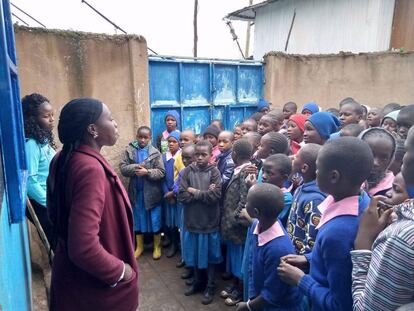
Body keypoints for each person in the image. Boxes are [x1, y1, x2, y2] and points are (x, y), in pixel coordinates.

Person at [47, 98, 138, 310]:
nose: (115, 124)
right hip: (92, 289)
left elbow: (55, 214)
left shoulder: (62, 158)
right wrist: (121, 271)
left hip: (70, 277)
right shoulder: (90, 169)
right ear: (92, 129)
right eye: (111, 118)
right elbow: (84, 247)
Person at [277, 137, 373, 311]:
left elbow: (340, 305)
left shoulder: (338, 232)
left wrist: (300, 279)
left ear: (334, 176)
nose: (316, 172)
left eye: (319, 168)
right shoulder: (362, 200)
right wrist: (308, 259)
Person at [351, 166, 414, 309]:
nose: (388, 194)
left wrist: (364, 243)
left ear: (408, 201)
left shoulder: (400, 238)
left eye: (396, 190)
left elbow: (366, 308)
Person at [236, 183, 306, 311]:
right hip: (262, 298)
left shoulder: (277, 249)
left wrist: (248, 306)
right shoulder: (257, 225)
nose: (245, 204)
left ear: (256, 211)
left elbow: (274, 293)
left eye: (247, 201)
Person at [178, 140, 222, 305]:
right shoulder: (188, 171)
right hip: (192, 221)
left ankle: (210, 285)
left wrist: (194, 191)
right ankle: (198, 282)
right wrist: (204, 193)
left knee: (210, 257)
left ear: (211, 155)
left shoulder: (215, 172)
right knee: (195, 255)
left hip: (209, 222)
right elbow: (182, 195)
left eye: (204, 154)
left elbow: (215, 197)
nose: (200, 157)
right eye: (197, 154)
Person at [120, 126, 165, 260]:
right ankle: (139, 247)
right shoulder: (130, 151)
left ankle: (157, 246)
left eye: (146, 137)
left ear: (150, 138)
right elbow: (123, 168)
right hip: (136, 193)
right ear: (137, 136)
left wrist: (148, 172)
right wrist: (136, 166)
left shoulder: (155, 153)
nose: (143, 140)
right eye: (140, 137)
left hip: (152, 194)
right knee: (138, 220)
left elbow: (161, 172)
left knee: (155, 219)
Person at [220, 139, 253, 306]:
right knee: (233, 257)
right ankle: (234, 283)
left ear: (234, 155)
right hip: (232, 225)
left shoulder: (246, 172)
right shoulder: (238, 169)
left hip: (238, 226)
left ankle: (240, 289)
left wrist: (233, 217)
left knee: (240, 259)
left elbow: (244, 199)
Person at [22, 93, 56, 245]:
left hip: (51, 199)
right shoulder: (32, 145)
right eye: (46, 116)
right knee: (57, 246)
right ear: (33, 119)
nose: (52, 119)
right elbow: (30, 183)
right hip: (43, 205)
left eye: (52, 115)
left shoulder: (43, 141)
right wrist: (51, 204)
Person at [287, 144, 326, 256]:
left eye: (296, 157)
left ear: (304, 168)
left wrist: (302, 260)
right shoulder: (301, 187)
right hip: (292, 253)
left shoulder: (315, 200)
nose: (292, 158)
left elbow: (312, 238)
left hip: (300, 262)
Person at [172, 144, 196, 272]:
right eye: (183, 158)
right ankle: (186, 260)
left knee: (192, 238)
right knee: (184, 236)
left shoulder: (201, 173)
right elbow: (176, 188)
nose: (185, 161)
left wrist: (186, 191)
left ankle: (192, 265)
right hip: (184, 209)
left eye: (188, 158)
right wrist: (187, 191)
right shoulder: (183, 172)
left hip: (195, 212)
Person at [360, 128, 396, 196]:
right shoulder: (343, 181)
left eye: (384, 158)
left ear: (390, 160)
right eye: (370, 154)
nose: (375, 163)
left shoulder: (391, 190)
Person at [162, 130, 182, 258]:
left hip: (178, 195)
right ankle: (173, 243)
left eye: (174, 141)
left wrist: (174, 193)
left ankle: (180, 246)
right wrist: (166, 192)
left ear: (179, 143)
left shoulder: (181, 156)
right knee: (170, 222)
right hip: (167, 196)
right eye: (169, 142)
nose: (171, 144)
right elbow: (162, 177)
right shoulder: (164, 157)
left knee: (179, 222)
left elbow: (181, 177)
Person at [261, 154, 293, 227]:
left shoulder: (285, 198)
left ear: (284, 178)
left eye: (269, 173)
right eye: (263, 171)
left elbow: (269, 223)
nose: (263, 176)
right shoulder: (264, 189)